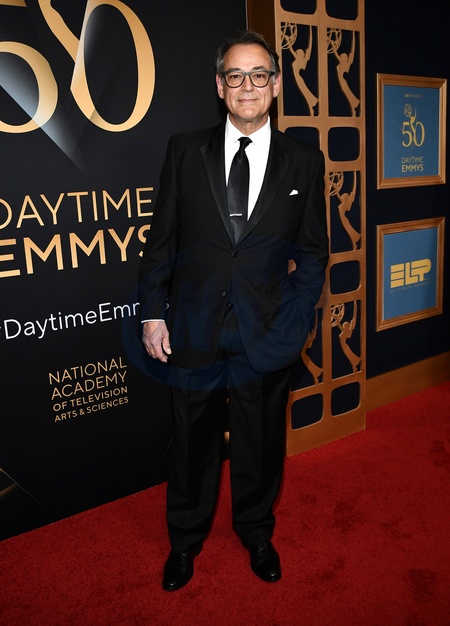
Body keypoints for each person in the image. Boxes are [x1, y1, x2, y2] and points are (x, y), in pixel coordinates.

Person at [138, 30, 329, 591]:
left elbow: (313, 252)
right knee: (190, 441)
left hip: (265, 330)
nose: (248, 86)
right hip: (192, 328)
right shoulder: (184, 150)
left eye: (259, 74)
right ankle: (184, 540)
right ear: (220, 86)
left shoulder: (305, 161)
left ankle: (256, 531)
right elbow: (161, 241)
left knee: (261, 441)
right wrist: (152, 313)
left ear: (276, 84)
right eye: (236, 76)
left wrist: (296, 317)